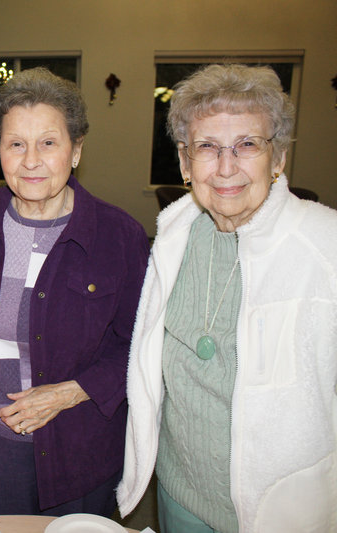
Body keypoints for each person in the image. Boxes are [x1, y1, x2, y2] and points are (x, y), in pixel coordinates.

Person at [117, 64, 337, 533]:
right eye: (208, 148)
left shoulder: (325, 247)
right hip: (178, 495)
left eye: (247, 145)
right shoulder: (174, 236)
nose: (225, 167)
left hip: (282, 514)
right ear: (184, 162)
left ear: (277, 158)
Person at [0, 67, 149, 517]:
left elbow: (139, 348)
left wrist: (68, 392)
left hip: (78, 449)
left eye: (48, 143)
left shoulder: (119, 236)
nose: (31, 160)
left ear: (76, 150)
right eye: (16, 143)